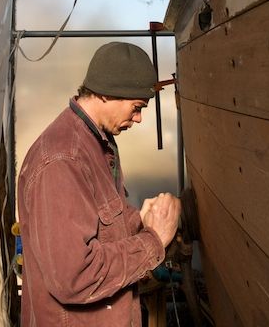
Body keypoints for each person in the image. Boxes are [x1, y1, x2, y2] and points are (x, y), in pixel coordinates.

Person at [18, 42, 181, 326]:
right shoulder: (63, 160)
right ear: (107, 93)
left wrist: (140, 221)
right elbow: (74, 277)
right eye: (137, 107)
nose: (139, 118)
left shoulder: (95, 143)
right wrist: (152, 241)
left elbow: (100, 224)